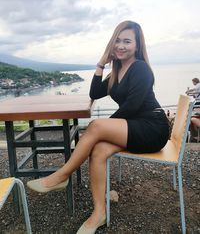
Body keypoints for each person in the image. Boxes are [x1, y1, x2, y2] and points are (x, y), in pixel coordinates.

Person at [27, 21, 169, 234]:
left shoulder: (140, 68)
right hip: (134, 126)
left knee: (95, 128)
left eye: (127, 41)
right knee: (98, 150)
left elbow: (133, 106)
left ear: (137, 46)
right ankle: (99, 212)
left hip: (153, 128)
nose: (121, 46)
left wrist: (101, 128)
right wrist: (101, 64)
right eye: (117, 41)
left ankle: (61, 177)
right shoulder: (118, 71)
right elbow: (95, 93)